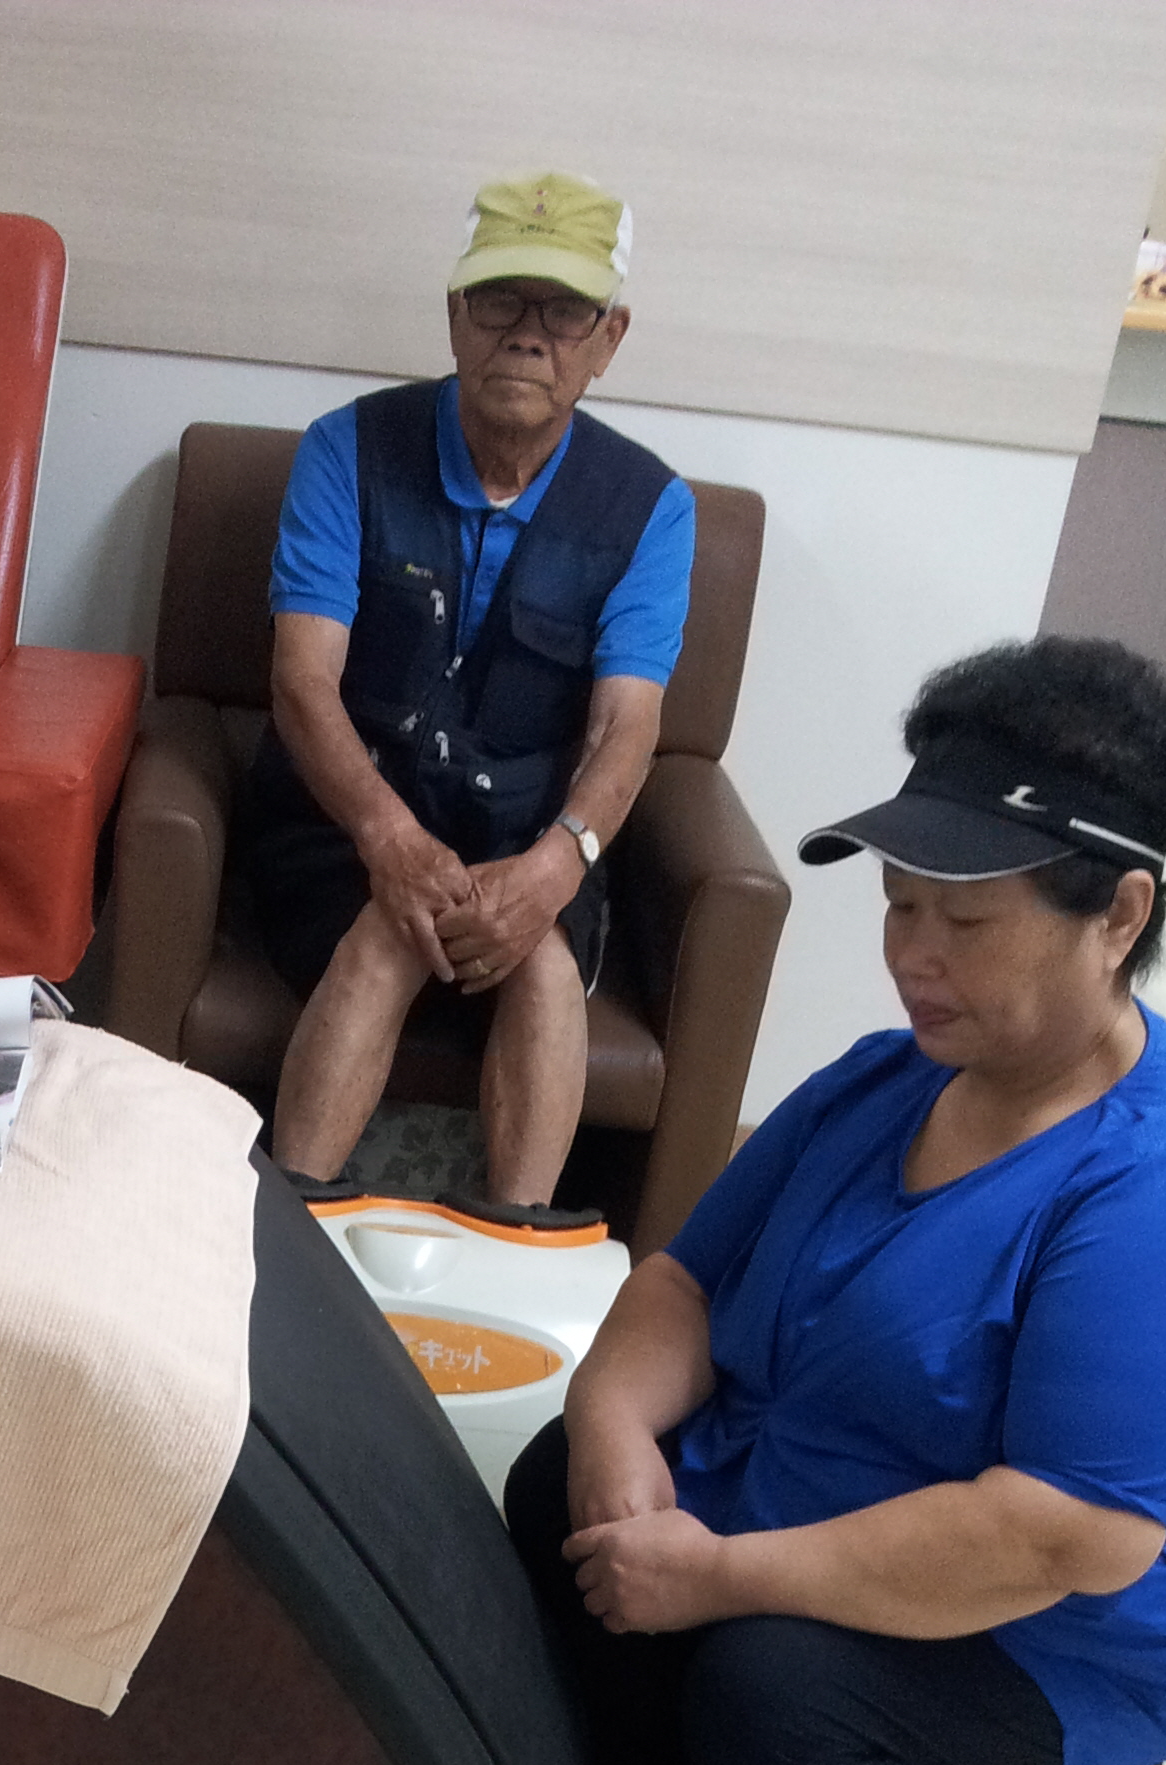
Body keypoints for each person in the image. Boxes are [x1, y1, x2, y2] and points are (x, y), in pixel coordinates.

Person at [503, 636, 1166, 1765]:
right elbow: (683, 1282)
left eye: (966, 921)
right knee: (563, 1479)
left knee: (780, 1681)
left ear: (1119, 916)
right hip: (845, 1478)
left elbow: (1068, 1534)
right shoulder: (887, 1079)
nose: (914, 955)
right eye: (901, 906)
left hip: (1068, 1618)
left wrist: (718, 1575)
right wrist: (615, 1428)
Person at [243, 171, 695, 1227]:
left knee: (543, 963)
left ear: (610, 337)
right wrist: (387, 837)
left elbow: (627, 724)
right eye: (500, 301)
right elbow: (302, 681)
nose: (528, 335)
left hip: (531, 837)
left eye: (566, 311)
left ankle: (517, 1243)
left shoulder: (652, 509)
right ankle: (288, 1236)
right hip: (342, 828)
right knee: (387, 932)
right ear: (455, 314)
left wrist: (558, 863)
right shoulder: (345, 450)